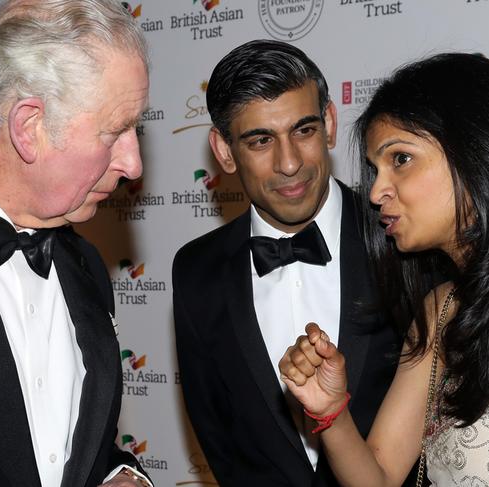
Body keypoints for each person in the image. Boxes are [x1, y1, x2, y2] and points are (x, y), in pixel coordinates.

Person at [280, 52, 489, 486]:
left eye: (400, 159)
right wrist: (330, 412)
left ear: (478, 152)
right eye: (375, 169)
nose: (376, 191)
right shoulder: (441, 308)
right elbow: (378, 476)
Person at [0, 1, 154, 486]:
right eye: (114, 132)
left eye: (137, 130)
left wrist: (120, 475)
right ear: (29, 128)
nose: (133, 164)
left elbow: (74, 450)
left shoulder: (85, 265)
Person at [173, 39, 405, 486]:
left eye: (304, 130)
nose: (290, 163)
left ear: (330, 124)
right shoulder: (196, 270)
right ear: (223, 151)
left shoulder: (400, 239)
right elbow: (216, 435)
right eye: (261, 140)